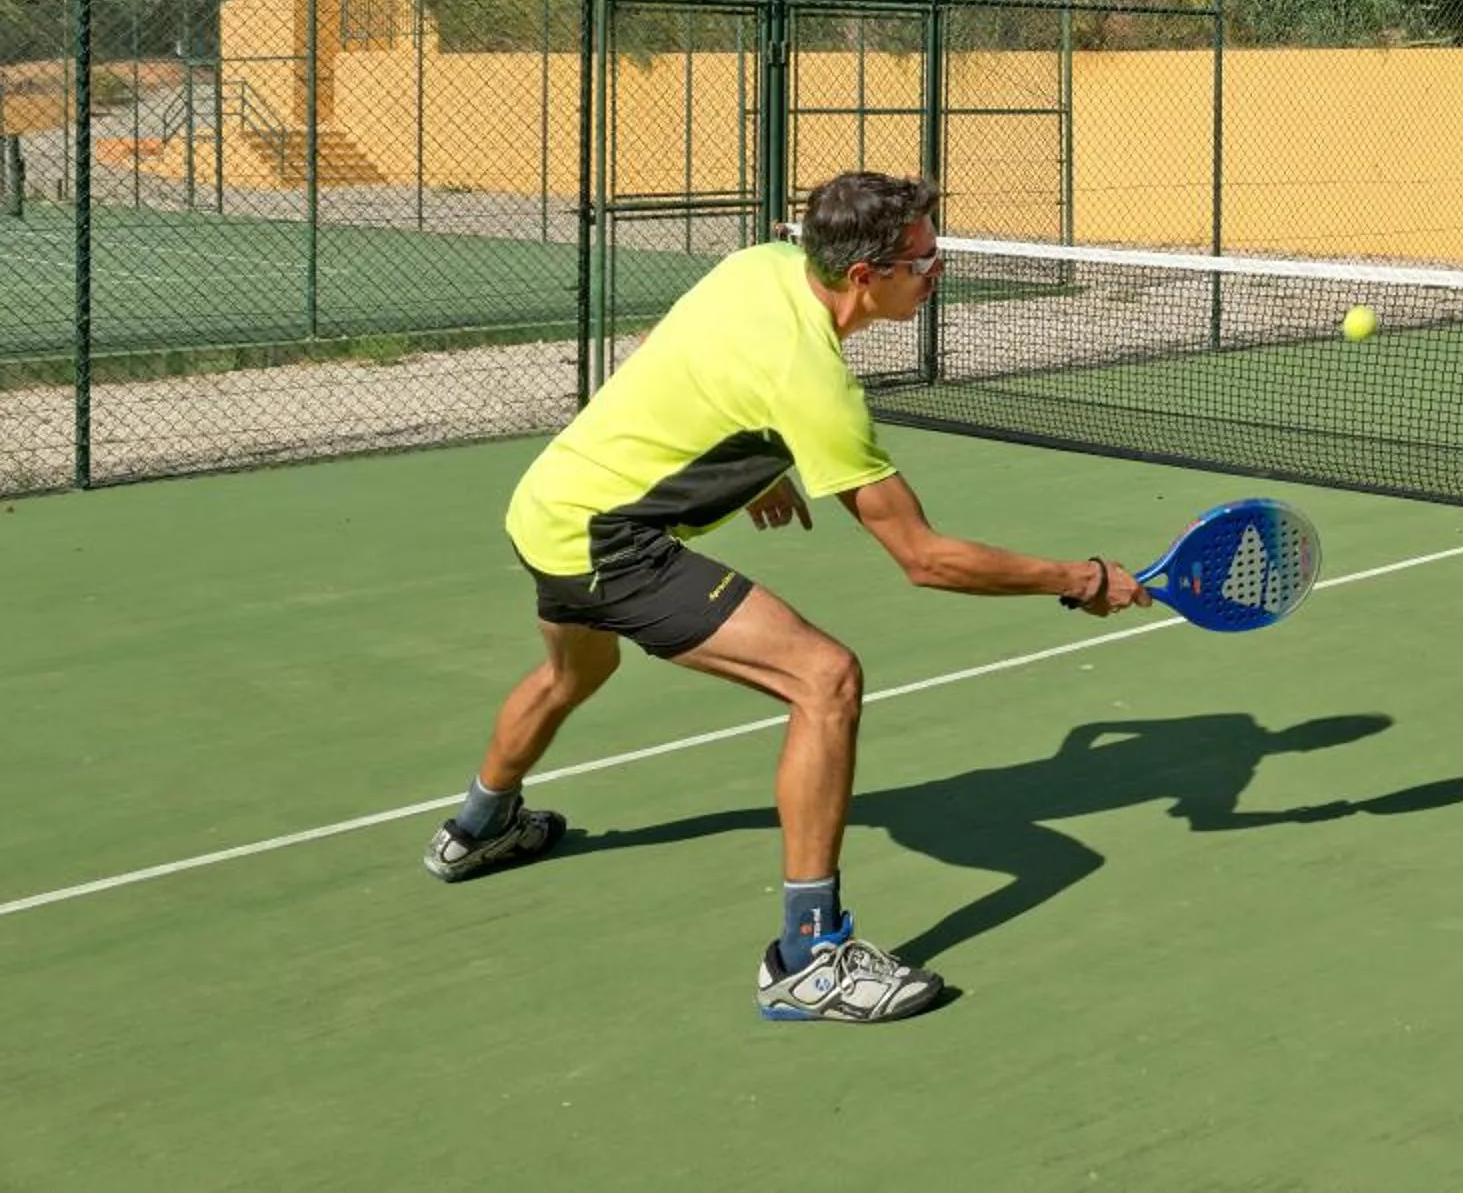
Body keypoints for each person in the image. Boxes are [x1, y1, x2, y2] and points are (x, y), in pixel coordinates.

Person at [422, 169, 1152, 1024]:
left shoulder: (760, 264)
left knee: (572, 676)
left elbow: (678, 343)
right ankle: (810, 959)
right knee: (825, 679)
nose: (937, 272)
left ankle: (477, 828)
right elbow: (924, 558)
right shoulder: (816, 385)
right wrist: (1082, 579)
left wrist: (751, 451)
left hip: (547, 502)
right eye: (924, 261)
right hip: (608, 542)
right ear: (864, 278)